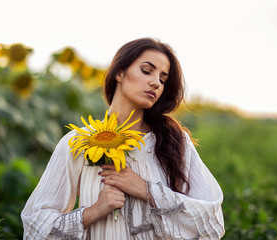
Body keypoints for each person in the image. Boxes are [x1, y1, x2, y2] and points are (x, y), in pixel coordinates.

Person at [21, 37, 225, 239]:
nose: (155, 82)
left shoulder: (173, 142)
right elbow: (35, 226)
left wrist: (146, 191)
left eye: (162, 79)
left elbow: (211, 221)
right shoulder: (78, 143)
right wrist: (92, 212)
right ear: (120, 72)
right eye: (147, 71)